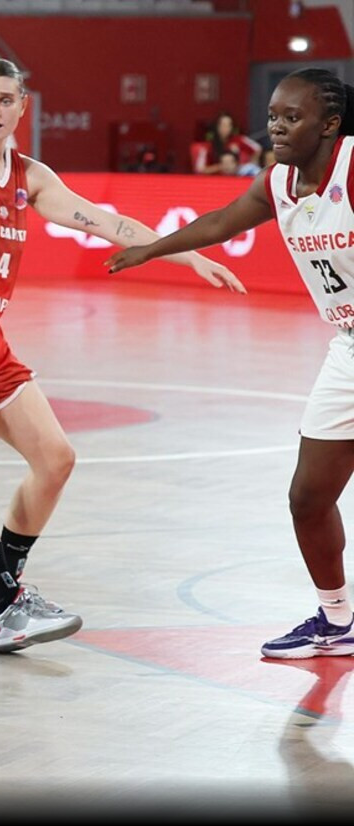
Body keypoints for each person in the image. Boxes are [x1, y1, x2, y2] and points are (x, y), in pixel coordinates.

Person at [0, 58, 245, 653]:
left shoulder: (30, 176)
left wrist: (187, 254)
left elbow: (112, 223)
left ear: (23, 106)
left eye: (5, 99)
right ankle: (7, 609)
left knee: (55, 458)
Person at [107, 68, 354, 660]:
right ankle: (337, 619)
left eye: (291, 117)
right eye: (272, 115)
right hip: (347, 346)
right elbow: (220, 221)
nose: (276, 125)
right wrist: (153, 249)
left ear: (330, 124)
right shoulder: (279, 185)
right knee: (307, 497)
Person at [193, 112, 263, 176]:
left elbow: (257, 148)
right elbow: (200, 169)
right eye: (223, 125)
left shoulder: (239, 139)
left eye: (229, 125)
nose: (226, 128)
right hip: (217, 178)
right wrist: (220, 167)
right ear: (216, 126)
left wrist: (253, 162)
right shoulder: (207, 146)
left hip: (238, 174)